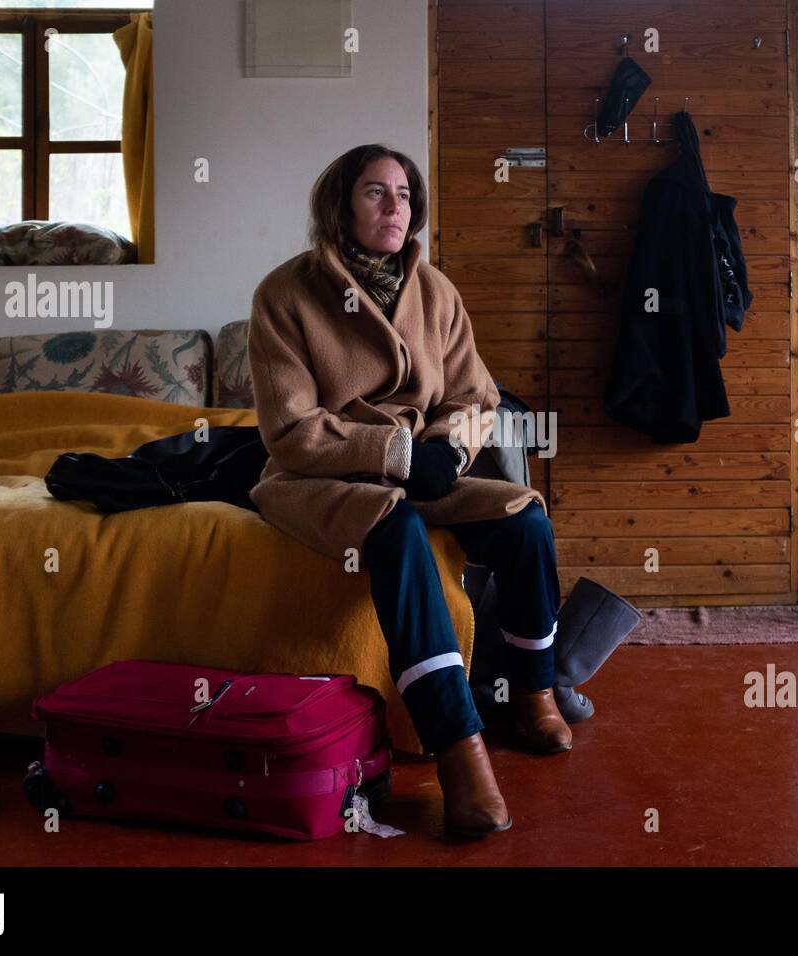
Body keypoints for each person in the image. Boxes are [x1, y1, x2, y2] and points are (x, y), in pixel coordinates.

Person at [246, 144, 571, 838]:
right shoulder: (284, 294)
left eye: (402, 193)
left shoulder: (437, 291)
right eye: (374, 192)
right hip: (321, 477)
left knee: (524, 521)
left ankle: (536, 692)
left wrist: (451, 448)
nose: (394, 206)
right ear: (340, 205)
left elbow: (475, 393)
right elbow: (290, 429)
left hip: (428, 465)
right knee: (392, 531)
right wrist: (393, 452)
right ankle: (458, 747)